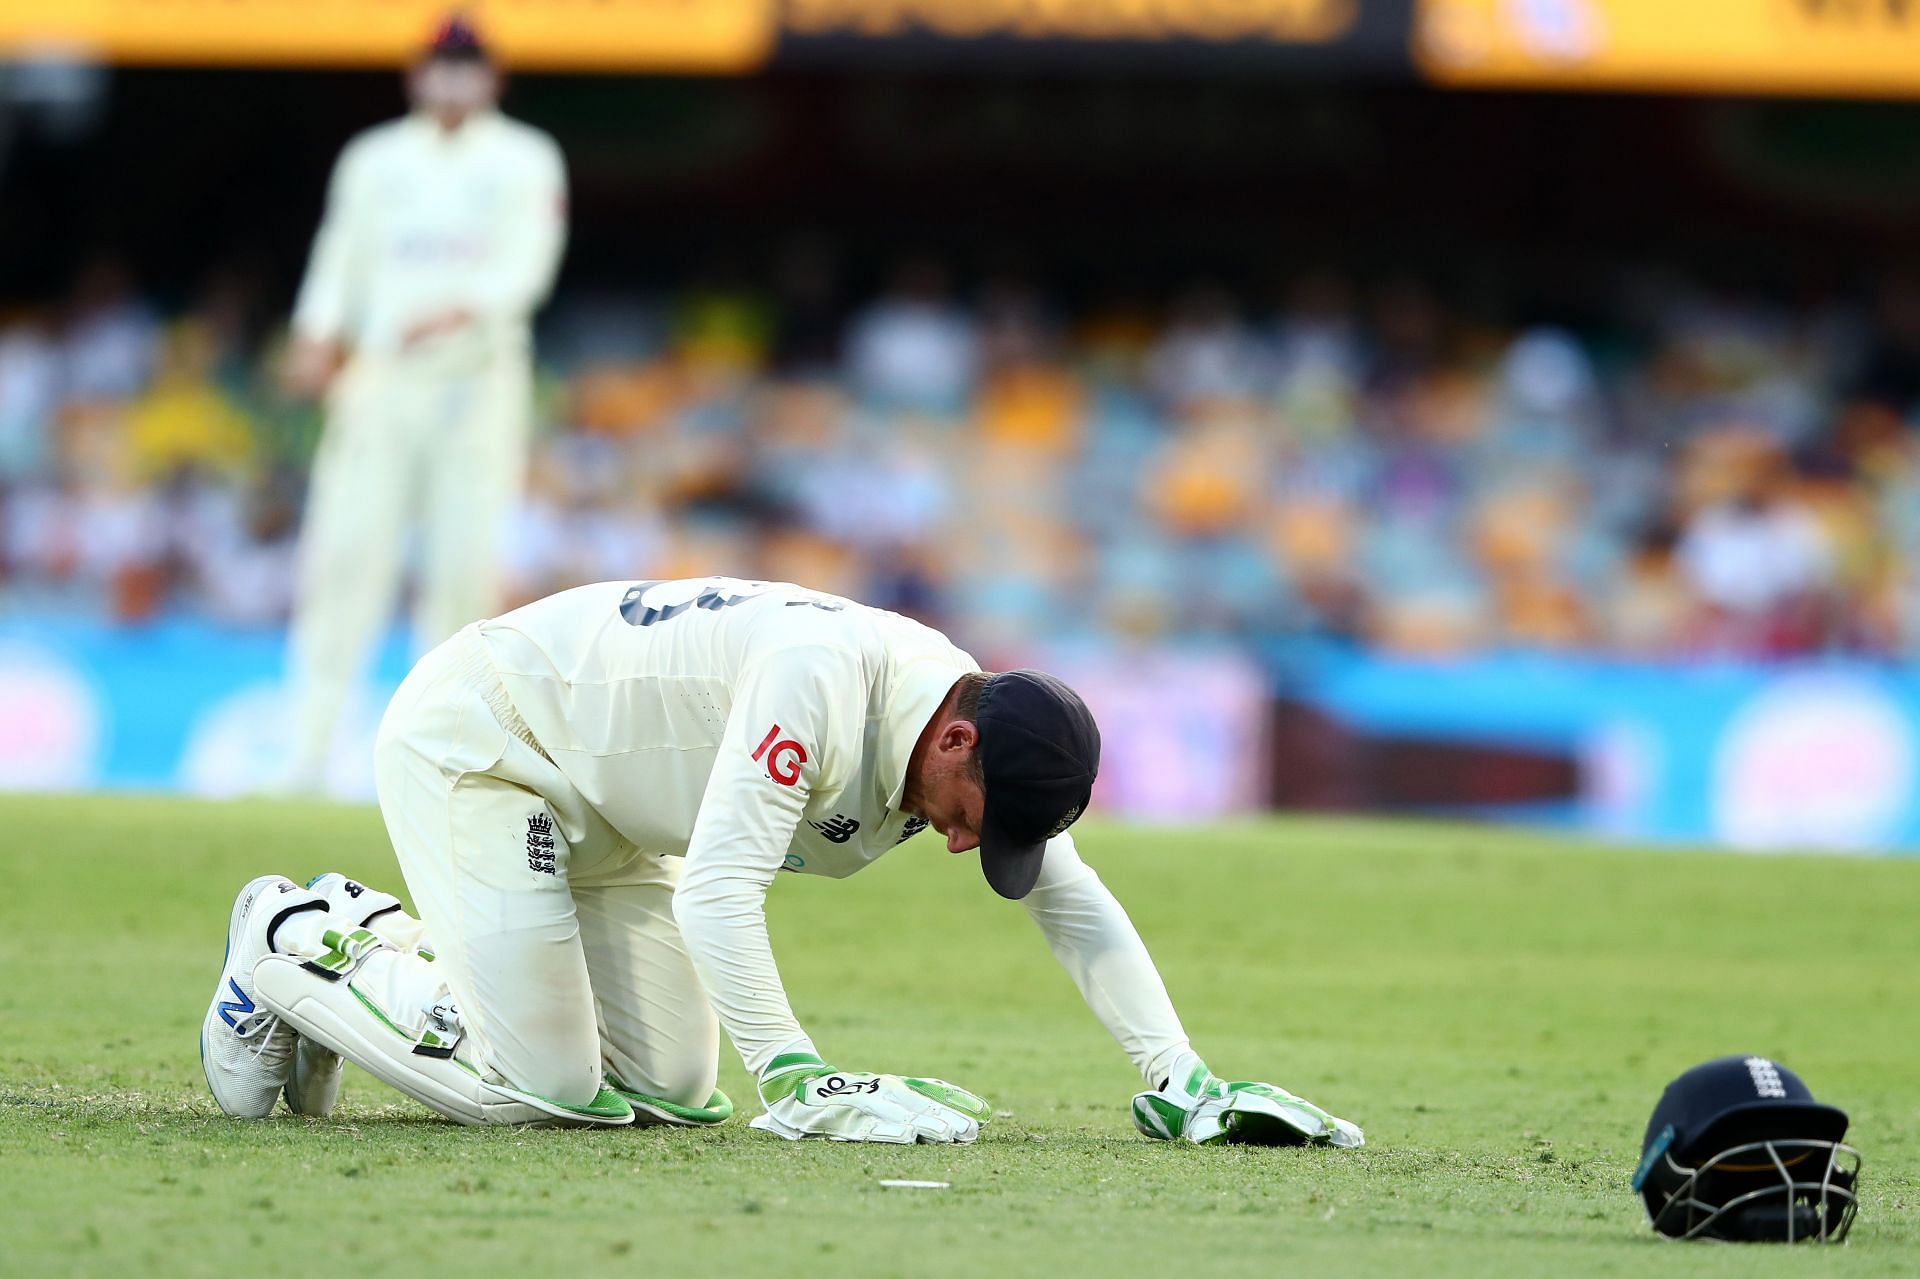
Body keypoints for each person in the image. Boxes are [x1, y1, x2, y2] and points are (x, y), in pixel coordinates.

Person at [202, 577, 1364, 1147]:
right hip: (493, 743)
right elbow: (718, 890)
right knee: (544, 1091)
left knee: (666, 1091)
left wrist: (1183, 1076)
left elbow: (1075, 901)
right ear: (954, 739)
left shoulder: (960, 720)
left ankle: (399, 964)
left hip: (616, 813)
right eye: (972, 813)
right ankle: (296, 937)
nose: (963, 842)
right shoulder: (824, 680)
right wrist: (803, 1078)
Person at [279, 14, 567, 790]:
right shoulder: (375, 159)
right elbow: (340, 254)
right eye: (441, 67)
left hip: (478, 382)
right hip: (382, 379)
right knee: (344, 558)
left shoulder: (525, 157)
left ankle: (439, 763)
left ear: (493, 80)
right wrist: (316, 331)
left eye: (469, 68)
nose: (453, 81)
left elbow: (529, 267)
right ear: (416, 76)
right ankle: (306, 756)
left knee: (463, 572)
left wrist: (465, 305)